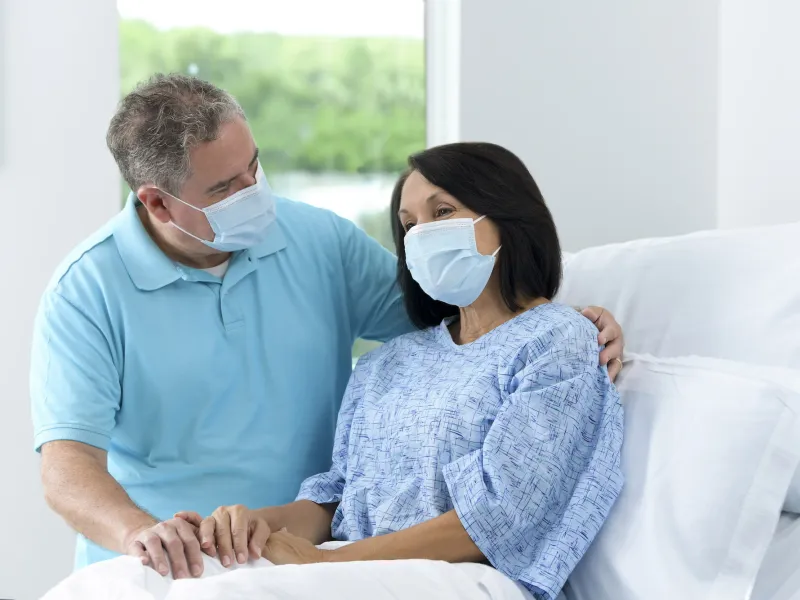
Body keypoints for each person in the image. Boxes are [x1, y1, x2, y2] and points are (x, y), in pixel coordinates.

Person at [31, 74, 625, 581]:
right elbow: (67, 467)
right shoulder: (88, 290)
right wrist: (146, 534)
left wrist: (570, 318)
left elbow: (462, 309)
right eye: (224, 188)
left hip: (308, 554)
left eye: (254, 167)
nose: (253, 192)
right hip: (178, 553)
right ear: (158, 204)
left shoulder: (318, 240)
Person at [170, 142, 624, 600]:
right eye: (409, 226)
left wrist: (327, 563)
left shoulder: (555, 340)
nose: (422, 235)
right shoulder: (386, 362)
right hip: (352, 570)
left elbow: (500, 518)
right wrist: (252, 528)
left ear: (508, 217)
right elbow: (336, 499)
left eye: (442, 211)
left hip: (462, 578)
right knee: (145, 582)